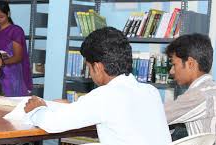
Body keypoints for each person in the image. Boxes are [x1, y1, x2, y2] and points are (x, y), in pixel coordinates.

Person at [24, 27, 172, 145]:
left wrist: (36, 109)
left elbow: (53, 124)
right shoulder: (150, 91)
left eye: (88, 66)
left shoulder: (105, 96)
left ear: (98, 67)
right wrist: (71, 106)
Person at [164, 33, 216, 136]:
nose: (171, 71)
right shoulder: (210, 89)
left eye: (174, 64)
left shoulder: (199, 95)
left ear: (190, 64)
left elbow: (155, 116)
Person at [0, 0, 32, 97]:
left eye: (1, 17)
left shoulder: (16, 31)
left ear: (8, 14)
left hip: (10, 74)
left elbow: (18, 57)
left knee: (9, 103)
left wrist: (1, 63)